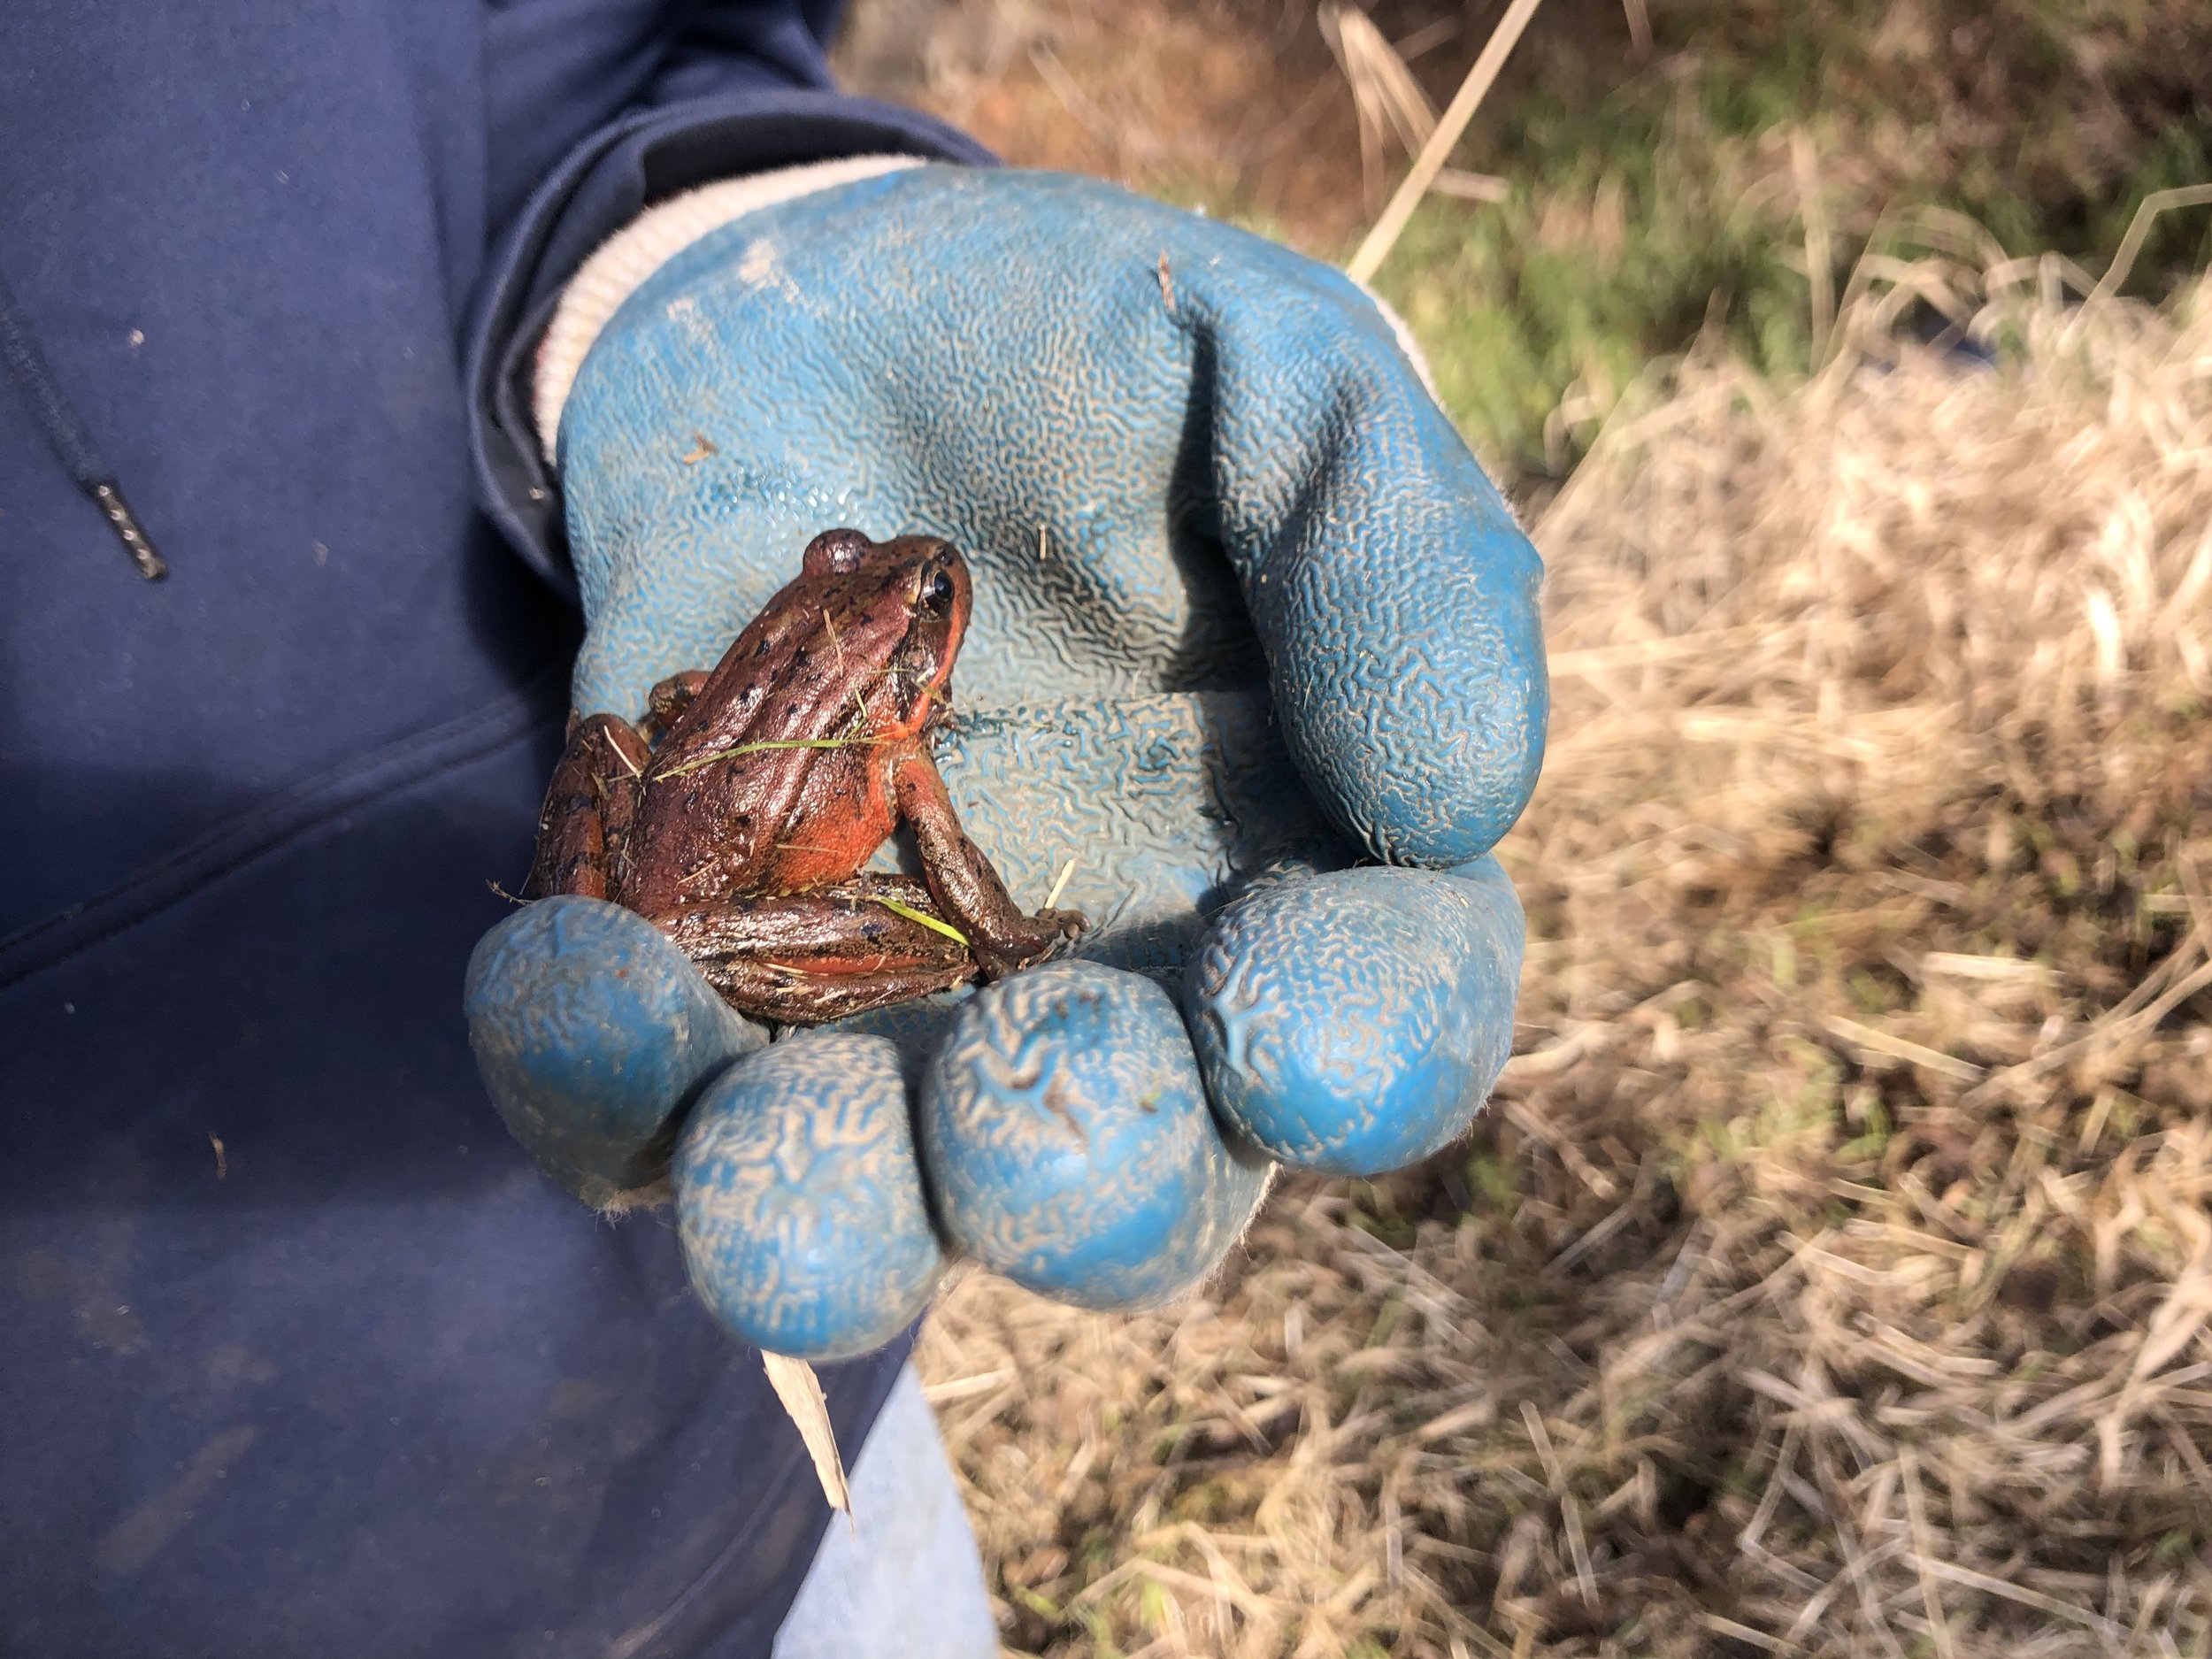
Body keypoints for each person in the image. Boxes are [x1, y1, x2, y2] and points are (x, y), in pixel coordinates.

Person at [0, 4, 1542, 1655]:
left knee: (631, 743)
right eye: (913, 600)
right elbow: (947, 871)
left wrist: (707, 226)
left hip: (771, 1493)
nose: (911, 588)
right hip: (139, 1498)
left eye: (873, 577)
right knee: (939, 928)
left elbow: (619, 47)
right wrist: (998, 941)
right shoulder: (898, 751)